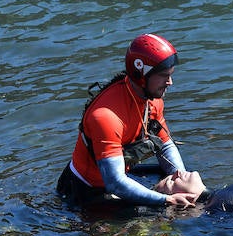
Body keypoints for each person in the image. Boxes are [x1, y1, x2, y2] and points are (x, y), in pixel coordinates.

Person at [57, 33, 195, 208]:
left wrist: (180, 179)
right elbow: (115, 183)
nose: (170, 82)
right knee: (160, 212)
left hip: (117, 176)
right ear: (141, 75)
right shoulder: (106, 117)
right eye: (164, 76)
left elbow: (165, 146)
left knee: (182, 181)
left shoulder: (152, 101)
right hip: (86, 192)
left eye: (171, 75)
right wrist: (166, 200)